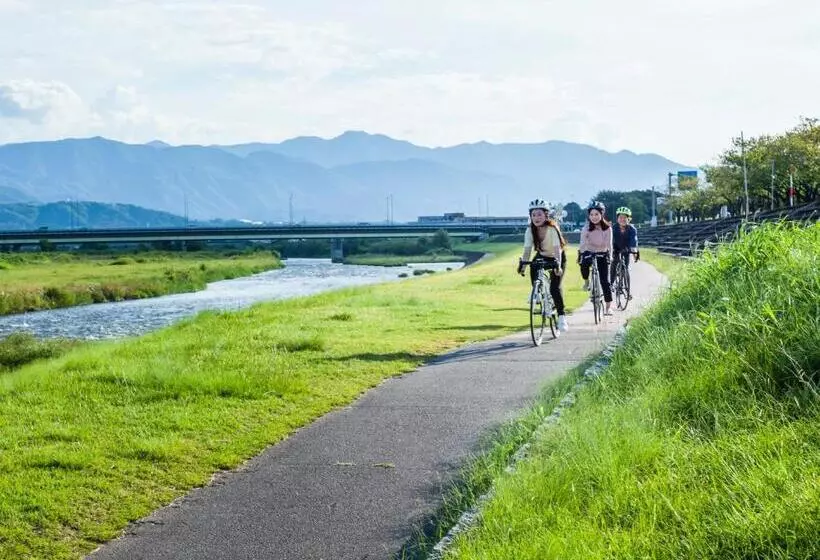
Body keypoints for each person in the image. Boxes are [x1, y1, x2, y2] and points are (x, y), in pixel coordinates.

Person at [517, 199, 569, 332]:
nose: (536, 218)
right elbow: (527, 250)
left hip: (557, 256)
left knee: (554, 287)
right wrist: (523, 265)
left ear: (546, 215)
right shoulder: (530, 230)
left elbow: (558, 248)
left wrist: (558, 266)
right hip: (543, 255)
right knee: (533, 266)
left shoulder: (552, 228)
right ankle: (537, 291)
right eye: (533, 215)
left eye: (539, 214)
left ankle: (562, 317)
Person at [578, 200, 613, 315]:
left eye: (596, 214)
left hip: (602, 254)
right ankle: (587, 281)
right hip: (589, 252)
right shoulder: (586, 228)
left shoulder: (607, 228)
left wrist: (611, 256)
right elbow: (582, 243)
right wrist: (582, 253)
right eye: (591, 214)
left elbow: (609, 244)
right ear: (589, 215)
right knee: (583, 265)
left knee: (605, 281)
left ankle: (608, 307)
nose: (594, 217)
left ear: (601, 214)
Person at [611, 206, 640, 292]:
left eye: (625, 218)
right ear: (617, 219)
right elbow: (609, 240)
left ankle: (623, 286)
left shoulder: (632, 229)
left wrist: (635, 253)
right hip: (615, 248)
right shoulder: (613, 228)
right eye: (620, 217)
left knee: (625, 267)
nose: (622, 219)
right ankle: (611, 284)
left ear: (629, 219)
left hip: (626, 249)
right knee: (614, 264)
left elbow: (634, 241)